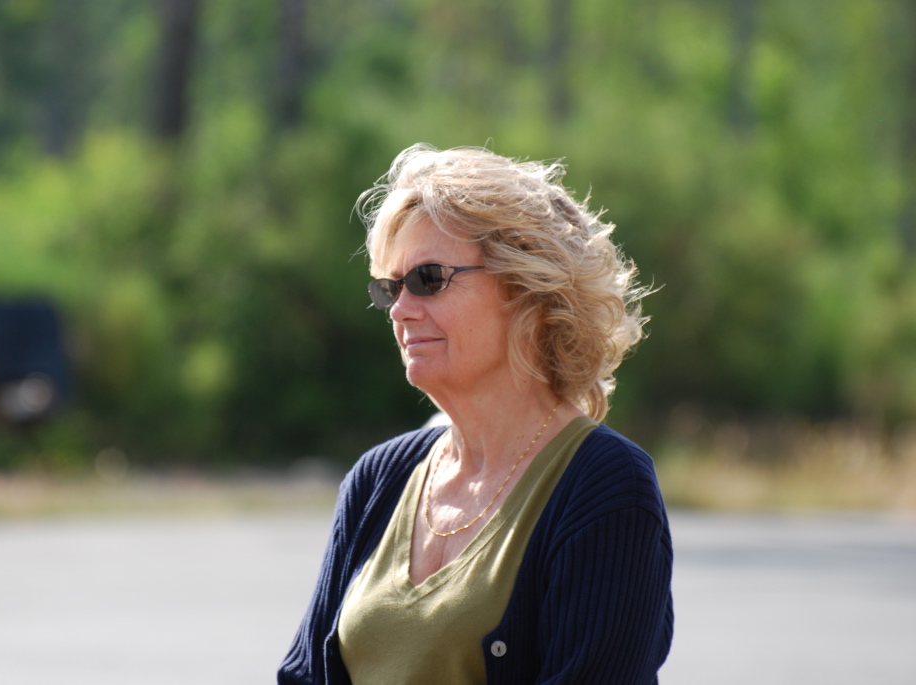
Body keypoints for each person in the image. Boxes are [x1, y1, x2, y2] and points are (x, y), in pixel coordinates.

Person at [278, 144, 673, 685]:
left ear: (525, 286)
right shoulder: (378, 478)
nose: (400, 309)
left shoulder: (606, 486)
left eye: (428, 279)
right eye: (389, 288)